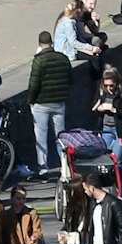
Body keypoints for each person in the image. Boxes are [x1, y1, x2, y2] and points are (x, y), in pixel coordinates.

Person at [29, 30, 73, 171]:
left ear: (39, 44)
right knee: (61, 135)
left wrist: (31, 100)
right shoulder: (63, 58)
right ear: (51, 42)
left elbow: (34, 84)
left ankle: (43, 167)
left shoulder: (39, 60)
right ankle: (65, 165)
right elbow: (71, 79)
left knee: (41, 136)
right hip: (59, 102)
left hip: (41, 103)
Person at [90, 67, 122, 162]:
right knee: (106, 159)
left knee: (116, 160)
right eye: (106, 85)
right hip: (106, 129)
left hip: (121, 130)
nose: (108, 88)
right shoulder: (101, 91)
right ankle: (114, 177)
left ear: (117, 82)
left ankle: (119, 177)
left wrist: (114, 110)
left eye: (111, 85)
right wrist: (100, 108)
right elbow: (94, 107)